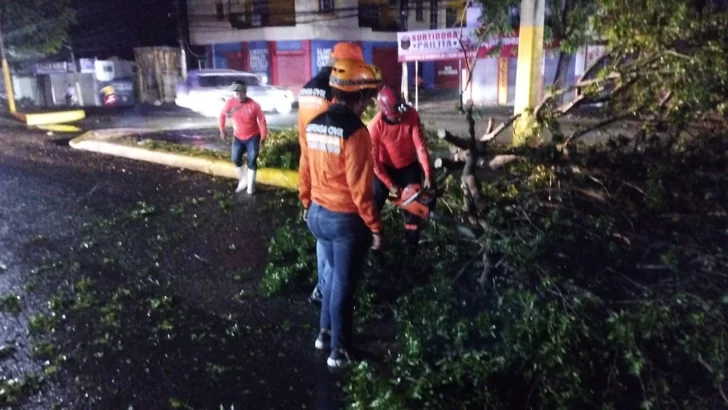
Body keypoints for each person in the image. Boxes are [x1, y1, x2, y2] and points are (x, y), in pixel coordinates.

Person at [299, 59, 383, 368]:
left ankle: (324, 334)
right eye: (368, 97)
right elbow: (361, 189)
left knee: (331, 277)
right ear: (358, 97)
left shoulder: (315, 124)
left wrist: (306, 201)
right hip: (344, 221)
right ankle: (340, 351)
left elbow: (304, 169)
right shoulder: (356, 133)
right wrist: (375, 228)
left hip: (317, 216)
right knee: (344, 288)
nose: (370, 103)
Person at [298, 42, 365, 307]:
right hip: (331, 173)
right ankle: (327, 295)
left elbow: (304, 142)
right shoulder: (336, 91)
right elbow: (339, 132)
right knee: (336, 251)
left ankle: (322, 289)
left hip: (312, 169)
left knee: (322, 240)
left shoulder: (308, 87)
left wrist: (304, 193)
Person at [368, 85, 433, 249]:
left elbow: (420, 147)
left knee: (415, 205)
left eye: (400, 115)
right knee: (374, 199)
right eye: (395, 117)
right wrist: (389, 184)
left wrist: (427, 173)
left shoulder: (411, 115)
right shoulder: (375, 127)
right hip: (384, 168)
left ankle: (411, 244)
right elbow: (374, 162)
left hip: (408, 166)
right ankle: (372, 240)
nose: (399, 119)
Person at [219, 80, 267, 194]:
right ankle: (243, 180)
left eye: (241, 93)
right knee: (235, 158)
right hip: (238, 137)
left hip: (253, 137)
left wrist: (263, 137)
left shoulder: (254, 105)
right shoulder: (230, 103)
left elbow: (262, 121)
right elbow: (222, 115)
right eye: (236, 93)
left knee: (252, 160)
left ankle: (251, 186)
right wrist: (222, 130)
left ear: (245, 92)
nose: (239, 96)